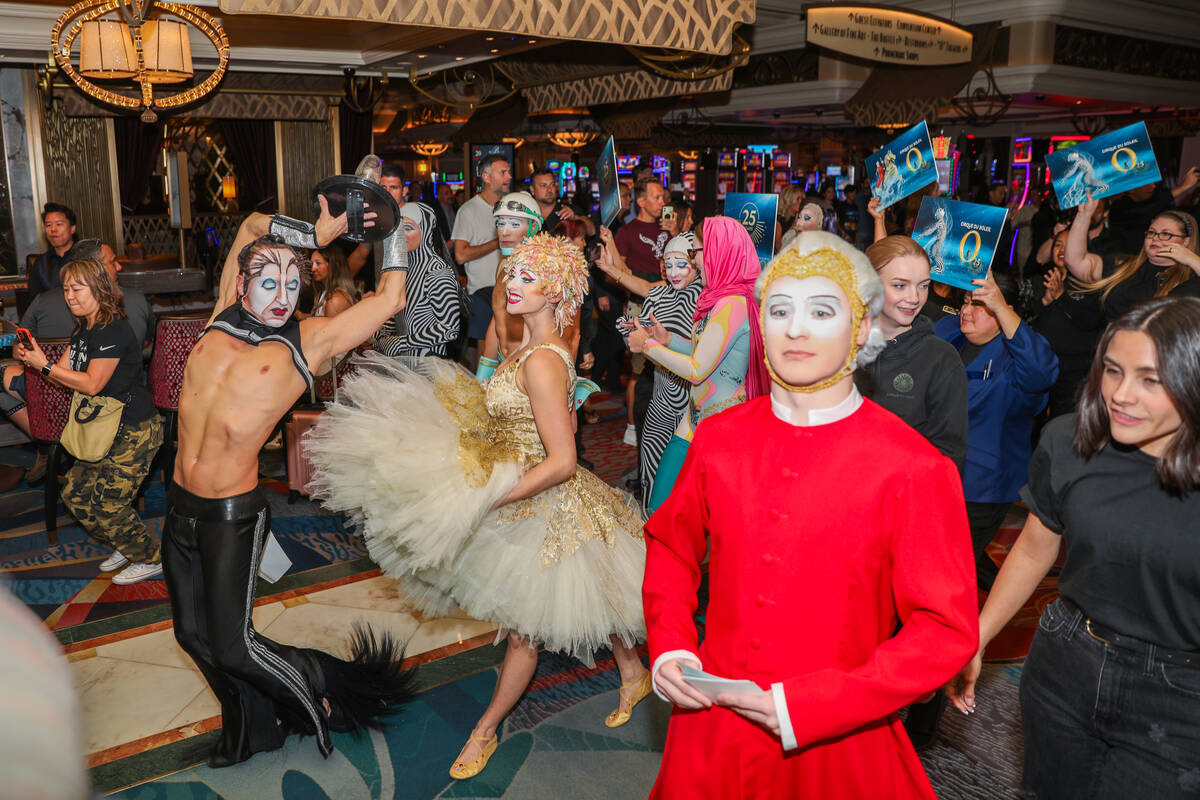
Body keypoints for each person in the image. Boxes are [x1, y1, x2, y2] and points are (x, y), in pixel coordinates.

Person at [644, 231, 978, 799]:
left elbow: (943, 628)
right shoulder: (718, 440)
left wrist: (817, 704)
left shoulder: (914, 465)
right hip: (714, 722)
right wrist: (672, 643)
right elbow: (672, 545)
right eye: (779, 310)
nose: (795, 329)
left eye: (821, 310)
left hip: (839, 737)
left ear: (863, 328)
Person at [304, 234, 651, 781]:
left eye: (527, 278)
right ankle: (632, 672)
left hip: (543, 499)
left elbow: (561, 461)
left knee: (525, 630)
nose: (511, 284)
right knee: (595, 585)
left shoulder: (541, 362)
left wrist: (489, 496)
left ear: (554, 290)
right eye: (512, 274)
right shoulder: (527, 346)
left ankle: (486, 729)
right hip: (528, 487)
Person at [161, 185, 415, 768]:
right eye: (269, 283)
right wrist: (312, 235)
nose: (281, 296)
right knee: (193, 638)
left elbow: (391, 298)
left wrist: (392, 230)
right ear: (244, 282)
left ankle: (311, 708)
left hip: (231, 515)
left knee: (234, 643)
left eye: (294, 284)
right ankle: (252, 730)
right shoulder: (224, 305)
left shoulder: (309, 338)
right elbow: (252, 222)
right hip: (178, 506)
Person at [948, 296, 1200, 799]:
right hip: (1066, 661)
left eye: (1151, 379)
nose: (1121, 395)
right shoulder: (1071, 440)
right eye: (1112, 371)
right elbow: (1035, 547)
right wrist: (977, 637)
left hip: (1181, 691)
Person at [13, 258, 164, 585]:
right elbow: (62, 376)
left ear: (100, 288)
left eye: (77, 288)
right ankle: (125, 543)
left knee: (108, 504)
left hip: (134, 430)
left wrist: (45, 366)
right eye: (66, 288)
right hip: (101, 429)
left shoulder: (113, 329)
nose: (70, 296)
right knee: (76, 496)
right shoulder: (84, 328)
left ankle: (151, 557)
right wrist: (37, 360)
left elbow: (93, 383)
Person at [625, 216, 768, 512]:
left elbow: (697, 370)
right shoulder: (719, 299)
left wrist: (647, 346)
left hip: (721, 427)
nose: (695, 259)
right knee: (662, 508)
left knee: (709, 519)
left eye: (698, 251)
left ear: (718, 252)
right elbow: (707, 354)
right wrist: (668, 340)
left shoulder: (733, 304)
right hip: (694, 420)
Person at [936, 271, 1059, 589]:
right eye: (965, 302)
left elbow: (1042, 373)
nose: (966, 310)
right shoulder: (950, 335)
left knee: (947, 568)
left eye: (980, 305)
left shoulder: (1015, 356)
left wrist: (1003, 308)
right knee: (948, 558)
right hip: (937, 474)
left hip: (980, 485)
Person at [856, 235, 968, 470]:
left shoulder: (941, 359)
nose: (914, 298)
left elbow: (947, 456)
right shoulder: (838, 345)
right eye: (900, 285)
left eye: (923, 286)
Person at [623, 233, 702, 509]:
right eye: (668, 265)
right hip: (660, 399)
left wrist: (657, 342)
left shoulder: (707, 298)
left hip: (693, 405)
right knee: (652, 475)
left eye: (681, 264)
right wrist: (633, 331)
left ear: (696, 262)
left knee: (686, 481)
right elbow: (636, 335)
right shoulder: (658, 293)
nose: (673, 272)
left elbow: (705, 355)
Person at [1065, 194, 1200, 323]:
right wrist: (1084, 216)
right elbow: (1076, 261)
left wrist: (1191, 258)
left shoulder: (1191, 277)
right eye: (1152, 232)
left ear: (1186, 241)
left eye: (1166, 234)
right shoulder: (1124, 265)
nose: (1155, 238)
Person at [1032, 231, 1105, 419]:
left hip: (1074, 370)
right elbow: (1025, 322)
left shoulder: (1090, 285)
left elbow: (1090, 321)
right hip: (1040, 363)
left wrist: (1061, 296)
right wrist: (1045, 302)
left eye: (1068, 245)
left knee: (1063, 421)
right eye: (1058, 245)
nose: (1062, 250)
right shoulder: (1041, 280)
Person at [375, 202, 463, 358]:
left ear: (427, 229)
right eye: (398, 227)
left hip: (429, 367)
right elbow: (399, 312)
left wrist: (400, 342)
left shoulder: (437, 271)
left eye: (408, 228)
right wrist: (383, 334)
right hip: (407, 364)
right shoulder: (406, 268)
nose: (401, 234)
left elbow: (450, 329)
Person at [453, 154, 512, 358]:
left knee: (509, 346)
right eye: (503, 172)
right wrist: (498, 242)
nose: (509, 177)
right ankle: (482, 389)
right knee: (486, 350)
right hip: (482, 291)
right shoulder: (468, 210)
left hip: (512, 288)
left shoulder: (510, 208)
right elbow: (460, 255)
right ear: (486, 177)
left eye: (509, 172)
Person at [27, 203, 77, 298]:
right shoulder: (40, 264)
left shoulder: (87, 257)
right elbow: (35, 302)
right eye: (48, 225)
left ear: (72, 229)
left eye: (59, 224)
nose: (53, 229)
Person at [530, 167, 595, 237]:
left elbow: (592, 231)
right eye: (543, 185)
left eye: (552, 184)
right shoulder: (527, 213)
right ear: (532, 190)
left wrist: (575, 218)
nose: (549, 189)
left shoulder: (568, 210)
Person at [306, 246, 359, 319]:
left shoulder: (335, 300)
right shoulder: (323, 292)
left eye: (318, 263)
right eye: (312, 264)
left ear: (333, 265)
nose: (313, 269)